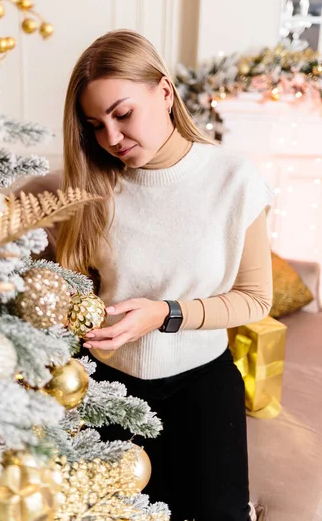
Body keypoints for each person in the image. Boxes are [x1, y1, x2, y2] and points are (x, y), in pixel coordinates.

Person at [21, 29, 273, 521]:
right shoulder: (93, 184)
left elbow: (255, 298)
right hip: (106, 388)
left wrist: (165, 314)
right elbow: (76, 292)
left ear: (163, 91)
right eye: (95, 125)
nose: (111, 138)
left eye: (122, 114)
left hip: (202, 387)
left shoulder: (234, 179)